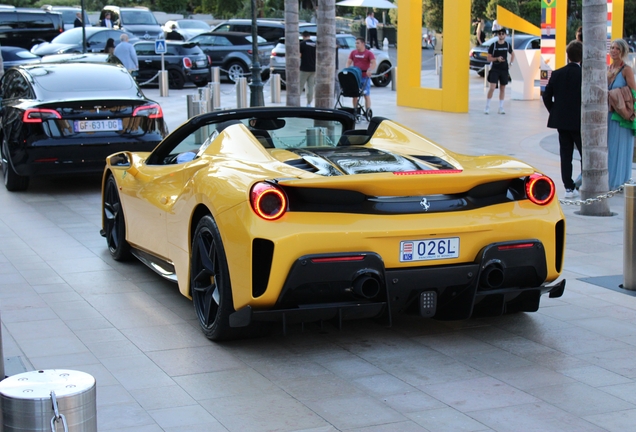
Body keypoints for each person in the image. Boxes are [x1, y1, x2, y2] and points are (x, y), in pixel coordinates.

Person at [542, 41, 583, 198]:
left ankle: (568, 187)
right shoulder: (584, 74)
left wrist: (554, 110)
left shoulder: (557, 73)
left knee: (565, 154)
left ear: (568, 55)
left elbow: (546, 95)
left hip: (562, 121)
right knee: (584, 153)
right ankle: (583, 182)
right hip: (579, 121)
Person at [607, 38, 636, 189]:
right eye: (612, 48)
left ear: (623, 51)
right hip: (609, 114)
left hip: (622, 115)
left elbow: (633, 93)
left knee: (620, 148)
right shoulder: (609, 68)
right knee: (610, 148)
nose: (613, 51)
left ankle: (618, 182)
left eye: (617, 48)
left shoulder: (627, 69)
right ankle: (610, 180)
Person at [485, 27, 514, 114]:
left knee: (503, 88)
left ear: (505, 35)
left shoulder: (507, 45)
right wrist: (497, 59)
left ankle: (501, 107)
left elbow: (512, 54)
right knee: (492, 87)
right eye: (499, 34)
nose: (501, 35)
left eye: (503, 34)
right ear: (498, 35)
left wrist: (511, 63)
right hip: (495, 68)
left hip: (504, 69)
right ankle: (487, 106)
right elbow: (488, 58)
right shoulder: (493, 45)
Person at [346, 37, 376, 116]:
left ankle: (367, 111)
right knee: (355, 95)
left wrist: (370, 70)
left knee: (366, 95)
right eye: (356, 43)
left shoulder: (368, 53)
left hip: (365, 77)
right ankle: (355, 110)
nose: (356, 45)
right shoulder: (353, 52)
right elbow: (349, 62)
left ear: (363, 44)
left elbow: (373, 63)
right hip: (356, 77)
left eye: (358, 43)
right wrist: (347, 69)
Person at [299, 31, 316, 107]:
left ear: (303, 36)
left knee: (300, 85)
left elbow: (299, 55)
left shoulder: (302, 44)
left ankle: (297, 101)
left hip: (304, 68)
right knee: (310, 86)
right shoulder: (314, 44)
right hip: (313, 68)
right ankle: (309, 103)